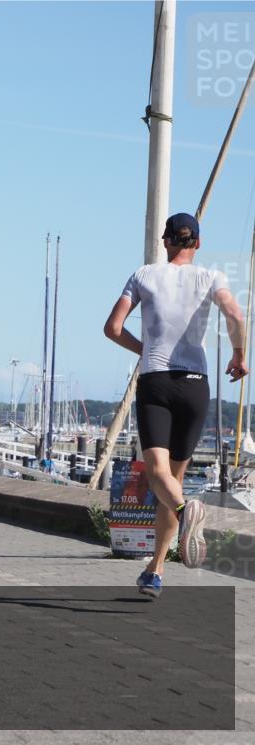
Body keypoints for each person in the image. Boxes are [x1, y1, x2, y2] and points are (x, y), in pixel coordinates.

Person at [104, 212, 248, 597]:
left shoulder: (143, 276)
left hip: (157, 382)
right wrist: (238, 355)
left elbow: (113, 328)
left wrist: (145, 349)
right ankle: (155, 570)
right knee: (173, 482)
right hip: (195, 386)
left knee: (158, 475)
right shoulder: (211, 278)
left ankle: (186, 517)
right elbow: (234, 313)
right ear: (197, 244)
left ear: (165, 242)